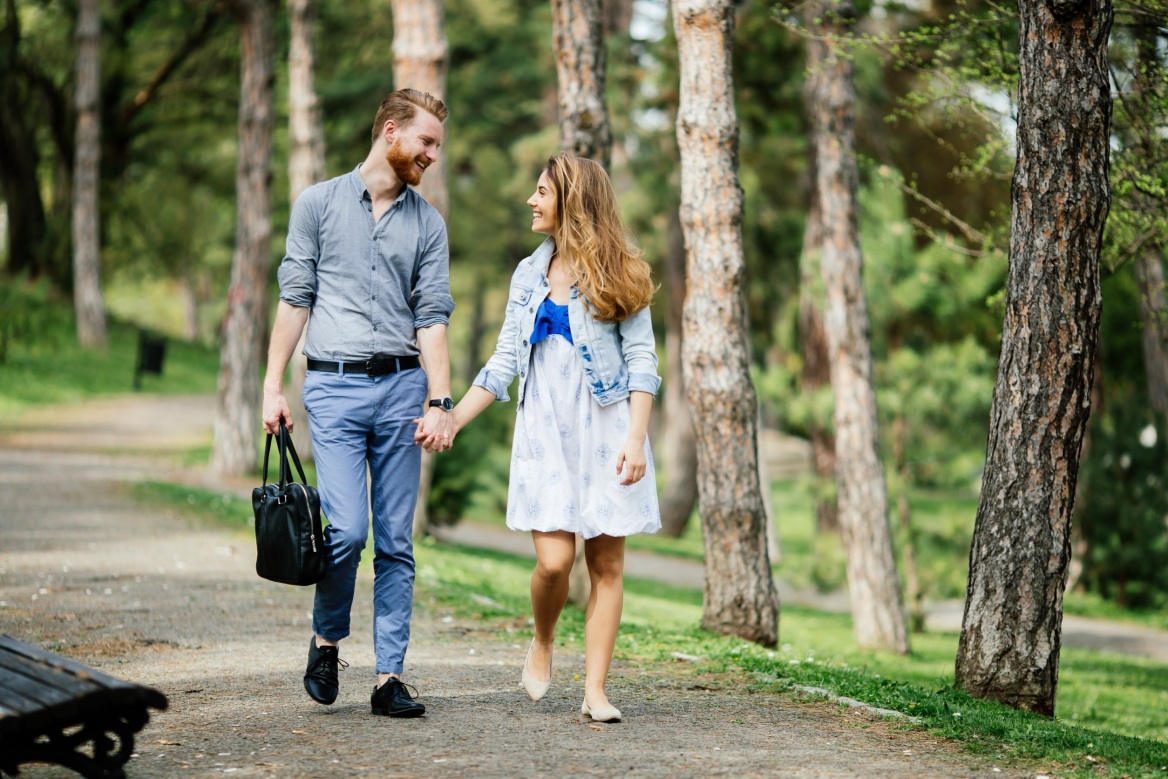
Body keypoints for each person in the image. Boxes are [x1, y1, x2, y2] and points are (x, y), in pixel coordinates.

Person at [421, 153, 661, 723]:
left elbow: (642, 360)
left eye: (541, 192)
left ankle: (596, 690)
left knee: (606, 564)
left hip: (608, 426)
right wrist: (452, 415)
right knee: (554, 562)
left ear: (572, 202)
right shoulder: (529, 274)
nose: (531, 200)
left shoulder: (622, 270)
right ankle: (544, 640)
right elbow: (504, 361)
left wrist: (636, 436)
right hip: (545, 431)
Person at [262, 88, 455, 719]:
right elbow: (295, 300)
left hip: (403, 390)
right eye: (425, 142)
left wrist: (440, 399)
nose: (431, 155)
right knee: (345, 531)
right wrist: (272, 386)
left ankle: (389, 677)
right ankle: (326, 640)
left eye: (436, 146)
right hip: (333, 388)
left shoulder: (428, 224)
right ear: (391, 131)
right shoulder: (316, 204)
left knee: (397, 540)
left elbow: (431, 319)